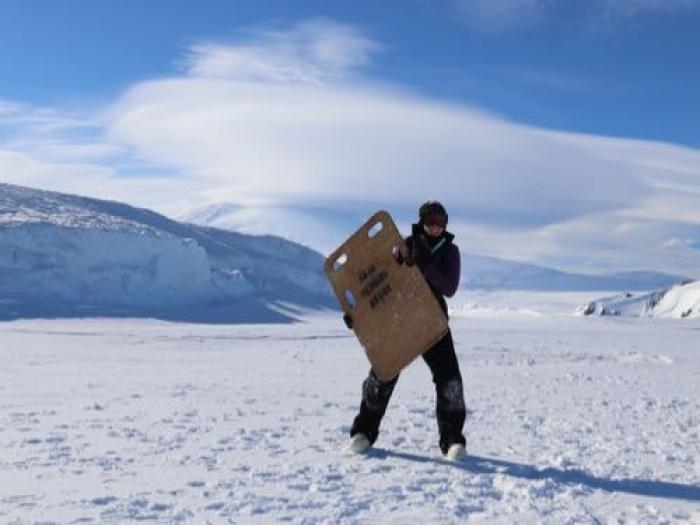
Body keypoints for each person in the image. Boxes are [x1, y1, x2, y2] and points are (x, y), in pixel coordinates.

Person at [346, 201, 467, 461]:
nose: (435, 227)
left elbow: (449, 286)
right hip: (399, 319)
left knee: (450, 380)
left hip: (433, 321)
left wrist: (424, 265)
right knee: (382, 375)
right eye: (430, 220)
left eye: (440, 221)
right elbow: (378, 279)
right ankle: (364, 432)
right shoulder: (402, 245)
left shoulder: (450, 251)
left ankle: (453, 440)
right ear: (421, 221)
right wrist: (359, 312)